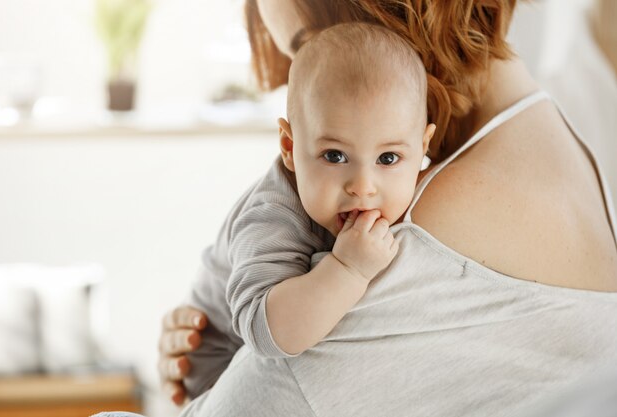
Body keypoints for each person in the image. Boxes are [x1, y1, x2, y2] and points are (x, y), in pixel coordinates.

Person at [157, 0, 617, 415]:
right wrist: (214, 348)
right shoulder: (573, 158)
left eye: (308, 46)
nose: (310, 76)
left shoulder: (413, 243)